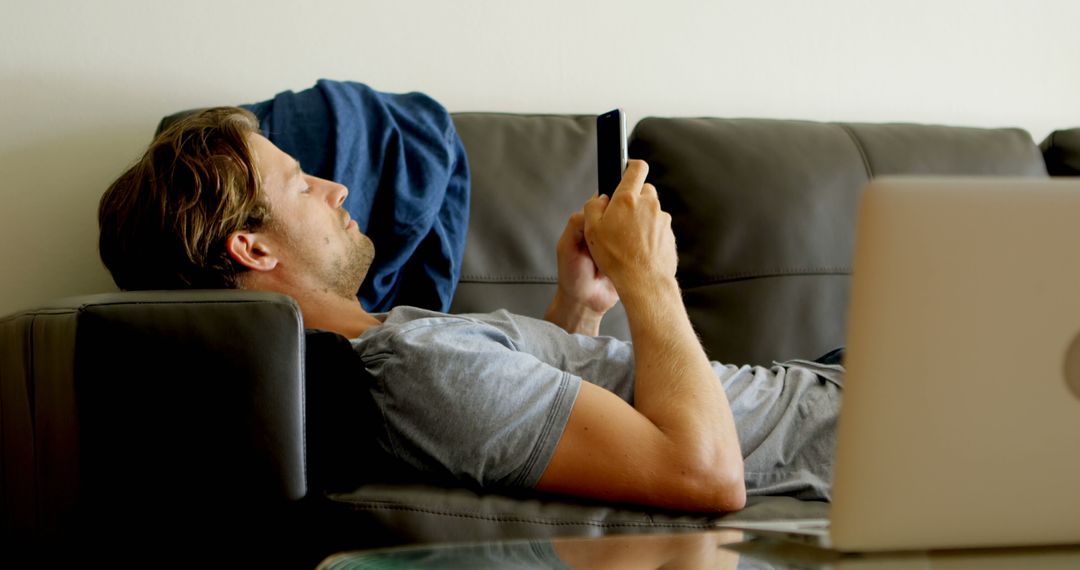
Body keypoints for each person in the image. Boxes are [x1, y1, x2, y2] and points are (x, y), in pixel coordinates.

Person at [98, 107, 842, 512]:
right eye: (301, 185)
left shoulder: (400, 343)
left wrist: (578, 308)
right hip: (848, 435)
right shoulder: (416, 371)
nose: (338, 190)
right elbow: (704, 475)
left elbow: (532, 402)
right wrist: (653, 281)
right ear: (252, 250)